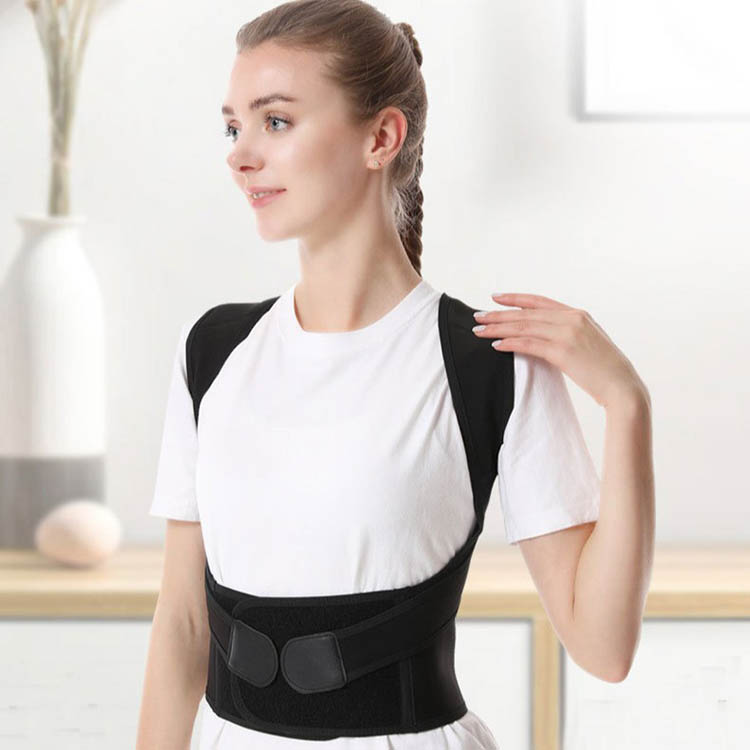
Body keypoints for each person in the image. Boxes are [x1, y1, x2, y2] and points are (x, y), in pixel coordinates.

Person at [138, 0, 653, 747]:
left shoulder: (487, 365)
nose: (240, 154)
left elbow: (603, 649)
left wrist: (627, 403)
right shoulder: (213, 353)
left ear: (381, 137)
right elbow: (184, 624)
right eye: (233, 127)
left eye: (275, 121)